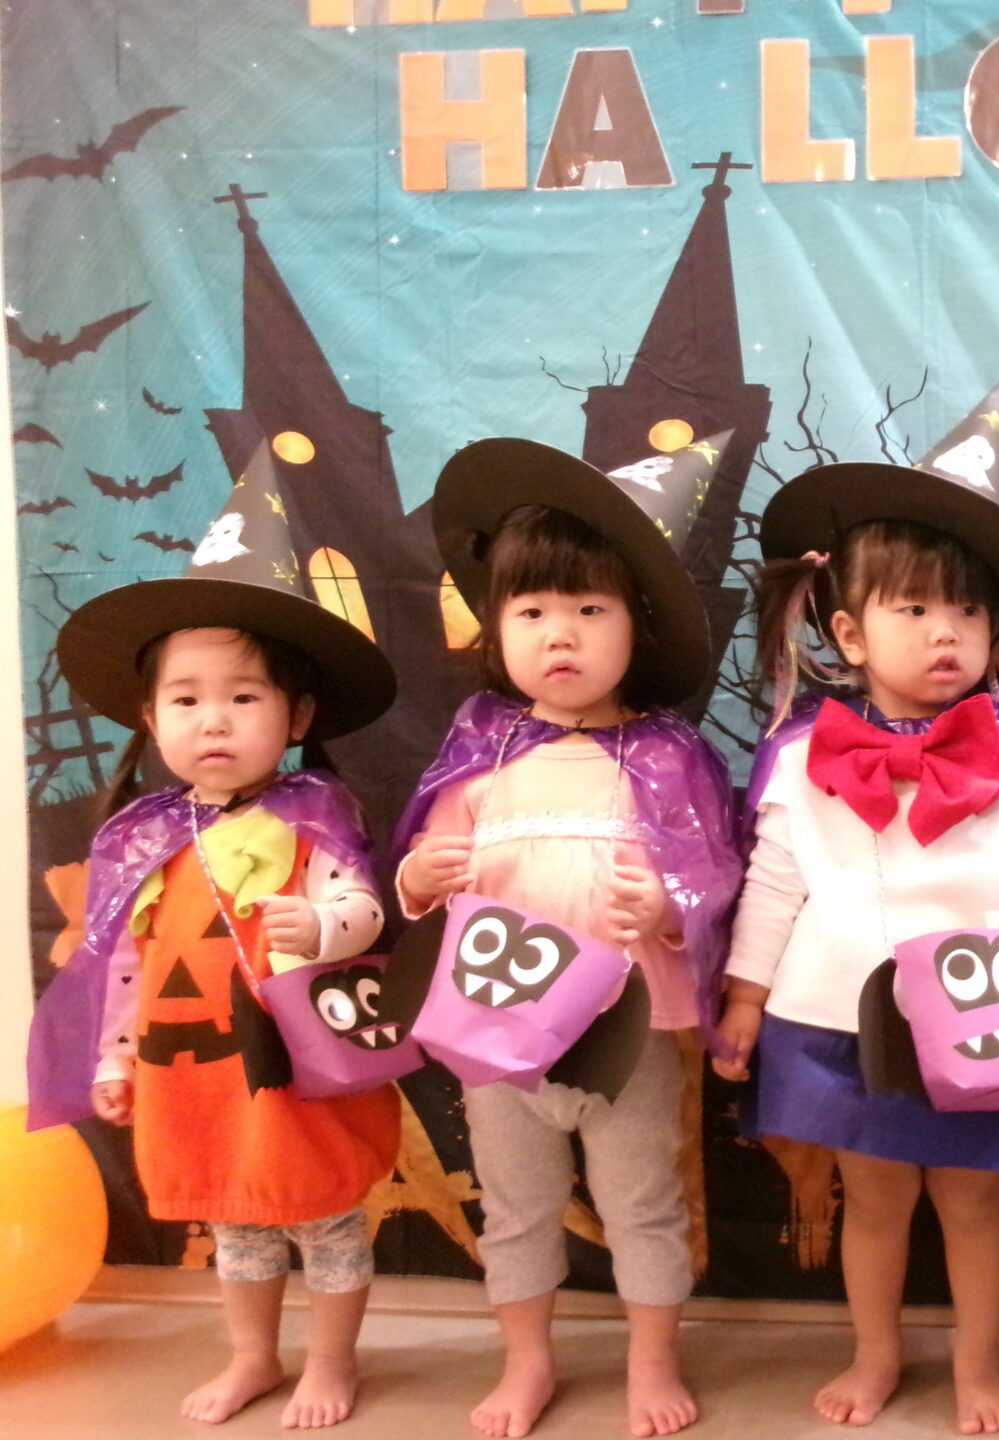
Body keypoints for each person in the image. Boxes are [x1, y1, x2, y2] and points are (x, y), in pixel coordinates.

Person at [714, 386, 999, 1435]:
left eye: (968, 612)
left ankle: (978, 1360)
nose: (947, 632)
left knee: (972, 1197)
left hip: (981, 1013)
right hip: (836, 1014)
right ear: (849, 632)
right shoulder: (801, 756)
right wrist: (745, 998)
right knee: (877, 1197)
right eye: (915, 610)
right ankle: (876, 1350)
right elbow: (773, 882)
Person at [27, 457, 402, 1429]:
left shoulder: (314, 817)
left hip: (295, 1075)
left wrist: (321, 926)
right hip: (197, 1074)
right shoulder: (143, 838)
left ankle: (331, 1361)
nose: (215, 721)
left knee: (324, 1222)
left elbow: (365, 912)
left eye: (244, 697)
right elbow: (123, 964)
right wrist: (113, 1058)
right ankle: (251, 1356)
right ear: (150, 718)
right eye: (187, 700)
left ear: (297, 715)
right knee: (236, 1224)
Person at [397, 437, 741, 1440]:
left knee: (643, 1202)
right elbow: (422, 871)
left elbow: (716, 874)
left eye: (591, 610)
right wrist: (419, 879)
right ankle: (528, 1362)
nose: (562, 635)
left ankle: (651, 1361)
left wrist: (666, 908)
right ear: (496, 628)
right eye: (533, 612)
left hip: (629, 1032)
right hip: (498, 1029)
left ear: (638, 625)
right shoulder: (480, 753)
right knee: (516, 1205)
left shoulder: (670, 756)